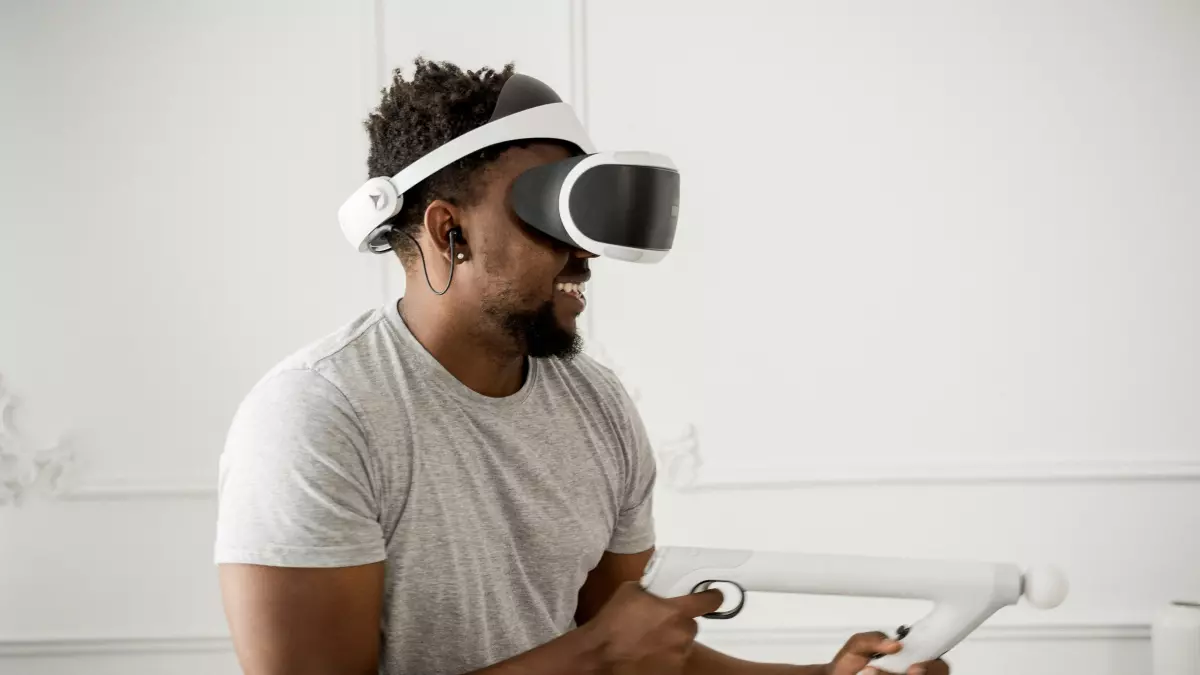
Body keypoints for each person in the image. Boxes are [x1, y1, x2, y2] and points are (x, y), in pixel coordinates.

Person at [213, 57, 950, 675]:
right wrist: (596, 654)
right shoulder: (318, 417)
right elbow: (606, 649)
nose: (586, 253)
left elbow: (637, 646)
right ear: (449, 230)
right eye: (550, 218)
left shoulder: (594, 403)